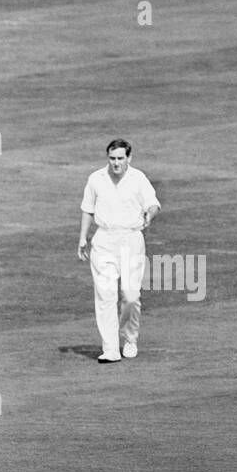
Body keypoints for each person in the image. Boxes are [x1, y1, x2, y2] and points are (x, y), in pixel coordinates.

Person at [77, 139, 160, 363]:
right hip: (104, 239)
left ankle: (130, 338)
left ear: (129, 158)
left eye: (120, 159)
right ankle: (111, 349)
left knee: (130, 296)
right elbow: (87, 209)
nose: (116, 163)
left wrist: (149, 215)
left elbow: (153, 204)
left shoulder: (138, 178)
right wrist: (83, 238)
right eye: (112, 158)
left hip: (131, 239)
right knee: (105, 295)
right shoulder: (96, 179)